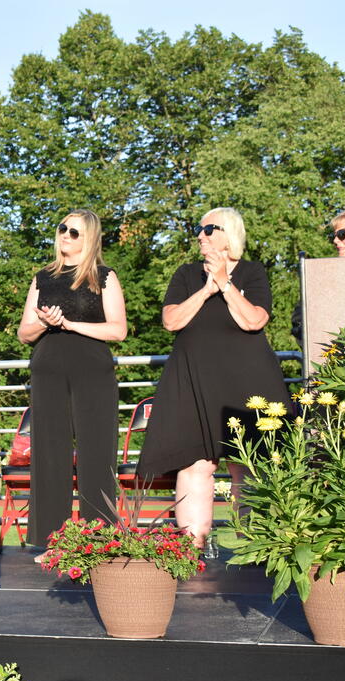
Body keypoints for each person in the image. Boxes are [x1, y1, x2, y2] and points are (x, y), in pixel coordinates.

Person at [137, 208, 290, 550]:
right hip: (193, 380)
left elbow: (253, 320)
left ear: (229, 233)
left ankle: (253, 549)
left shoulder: (252, 272)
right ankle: (190, 551)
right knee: (195, 464)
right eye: (199, 228)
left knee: (248, 465)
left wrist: (225, 284)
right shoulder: (186, 274)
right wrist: (206, 291)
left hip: (247, 381)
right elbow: (172, 321)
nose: (200, 235)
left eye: (208, 229)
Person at [15, 210, 127, 561]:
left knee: (97, 453)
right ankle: (54, 543)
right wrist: (46, 324)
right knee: (50, 454)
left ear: (89, 237)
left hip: (92, 370)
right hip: (48, 370)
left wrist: (70, 324)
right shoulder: (42, 278)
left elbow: (118, 330)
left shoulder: (104, 276)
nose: (65, 234)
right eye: (62, 228)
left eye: (74, 231)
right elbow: (24, 333)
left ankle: (99, 541)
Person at [291, 203, 345, 345]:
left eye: (342, 234)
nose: (335, 240)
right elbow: (299, 322)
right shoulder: (325, 279)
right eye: (334, 235)